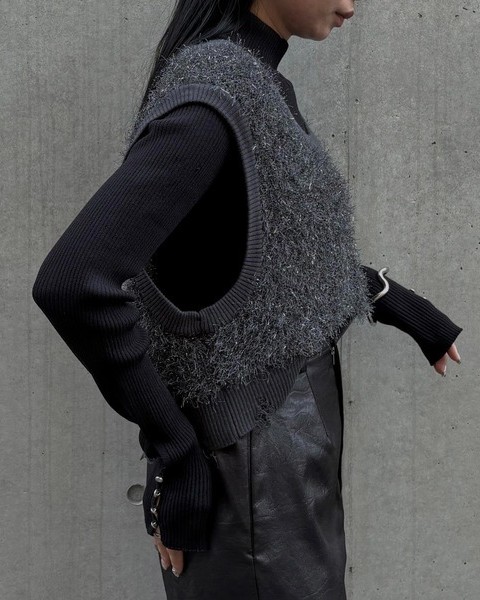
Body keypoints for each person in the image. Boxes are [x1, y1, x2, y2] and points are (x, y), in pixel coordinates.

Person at [31, 1, 463, 598]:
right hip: (253, 475)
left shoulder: (254, 87)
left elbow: (274, 265)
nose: (349, 5)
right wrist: (177, 452)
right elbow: (72, 281)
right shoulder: (214, 98)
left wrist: (395, 301)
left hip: (280, 462)